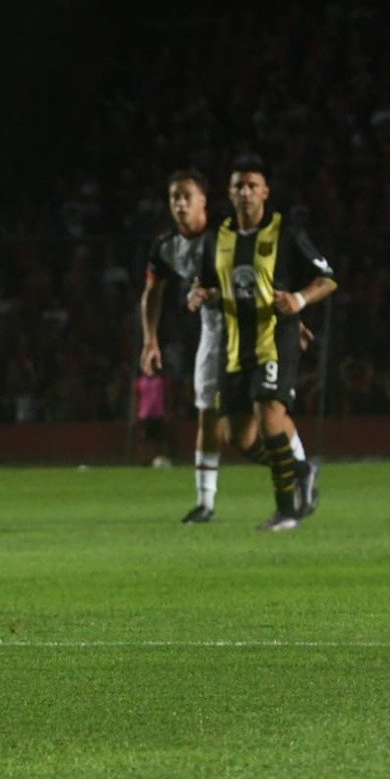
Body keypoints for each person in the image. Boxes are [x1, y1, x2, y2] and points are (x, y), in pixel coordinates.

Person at [189, 155, 338, 531]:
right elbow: (206, 284)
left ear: (265, 192)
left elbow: (327, 278)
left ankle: (287, 511)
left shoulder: (284, 230)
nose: (245, 193)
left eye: (253, 186)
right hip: (235, 343)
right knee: (236, 435)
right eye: (238, 186)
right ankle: (301, 471)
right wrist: (199, 294)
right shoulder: (216, 237)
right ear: (230, 192)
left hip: (276, 337)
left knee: (269, 414)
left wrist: (299, 301)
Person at [140, 170, 227, 521]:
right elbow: (152, 292)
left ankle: (296, 472)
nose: (179, 203)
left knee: (262, 416)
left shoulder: (227, 234)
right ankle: (205, 503)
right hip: (213, 328)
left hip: (251, 324)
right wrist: (150, 339)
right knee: (207, 410)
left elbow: (258, 277)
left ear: (203, 200)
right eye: (174, 196)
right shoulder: (164, 246)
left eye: (186, 196)